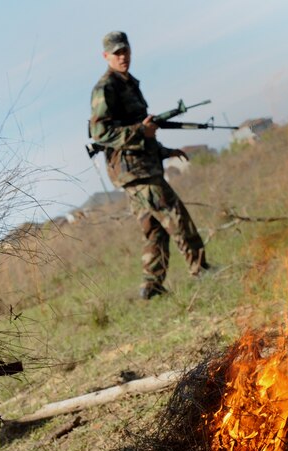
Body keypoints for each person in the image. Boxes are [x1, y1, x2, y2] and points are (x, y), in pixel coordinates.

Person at [90, 31, 209, 300]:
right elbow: (101, 134)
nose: (122, 57)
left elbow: (144, 131)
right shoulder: (105, 88)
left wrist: (166, 151)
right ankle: (200, 270)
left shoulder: (129, 83)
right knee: (176, 216)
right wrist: (138, 132)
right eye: (116, 53)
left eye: (125, 51)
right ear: (105, 56)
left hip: (141, 167)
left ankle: (152, 287)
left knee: (154, 231)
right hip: (135, 172)